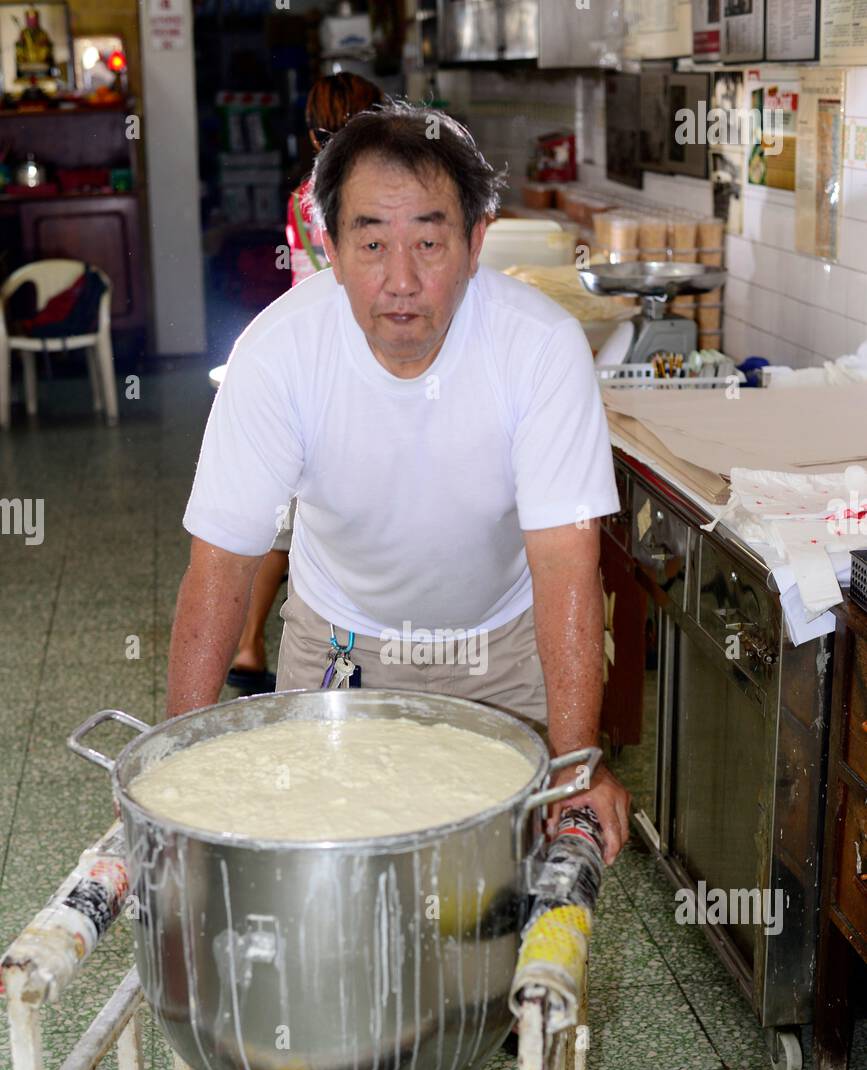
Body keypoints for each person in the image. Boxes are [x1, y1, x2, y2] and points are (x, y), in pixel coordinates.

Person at [170, 101, 631, 862]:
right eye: (373, 242)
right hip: (340, 649)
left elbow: (565, 566)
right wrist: (175, 772)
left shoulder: (539, 349)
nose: (401, 280)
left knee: (499, 895)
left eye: (428, 239)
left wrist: (576, 765)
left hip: (506, 654)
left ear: (475, 240)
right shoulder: (278, 353)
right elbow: (220, 564)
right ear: (330, 246)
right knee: (331, 876)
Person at [227, 72, 384, 694]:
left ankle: (246, 645)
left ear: (310, 133)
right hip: (352, 366)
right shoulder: (371, 198)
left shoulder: (303, 194)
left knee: (287, 519)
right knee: (334, 513)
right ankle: (356, 644)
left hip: (304, 365)